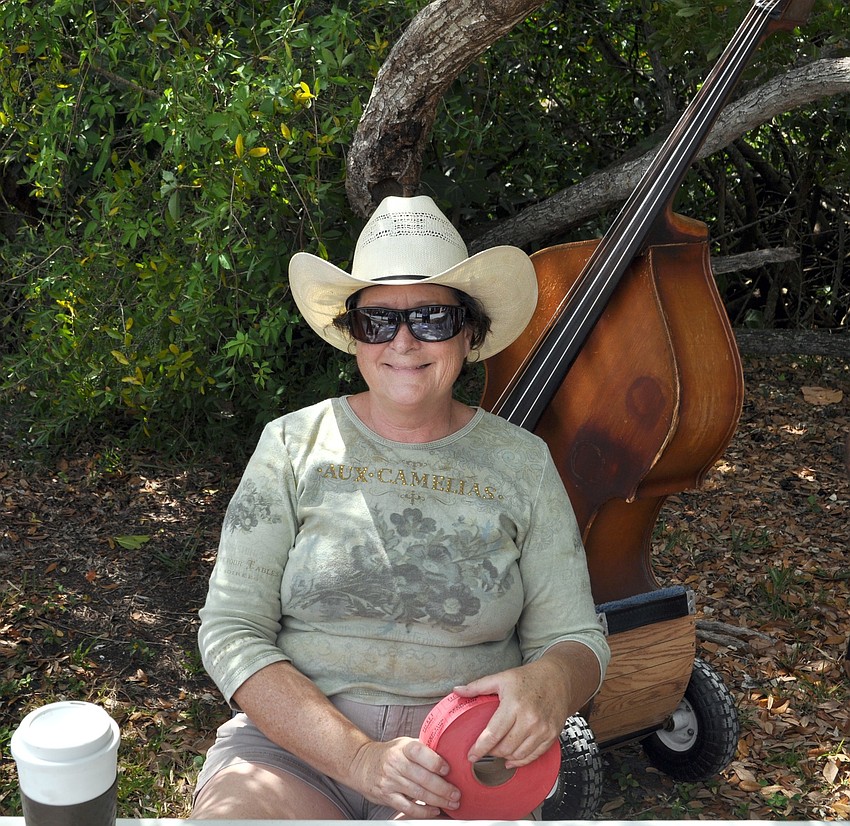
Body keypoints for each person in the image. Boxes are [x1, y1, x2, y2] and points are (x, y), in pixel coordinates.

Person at [191, 195, 610, 820]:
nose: (405, 341)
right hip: (293, 753)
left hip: (465, 763)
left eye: (433, 319)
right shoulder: (290, 444)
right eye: (378, 321)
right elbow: (230, 630)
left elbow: (577, 639)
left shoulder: (522, 462)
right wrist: (358, 756)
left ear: (469, 333)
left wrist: (552, 683)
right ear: (353, 336)